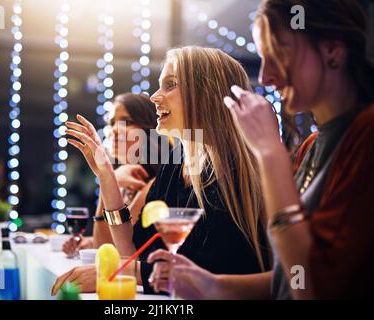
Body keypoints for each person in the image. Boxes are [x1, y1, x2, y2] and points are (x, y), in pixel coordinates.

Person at [149, 0, 374, 299]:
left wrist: (269, 153)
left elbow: (312, 287)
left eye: (279, 53)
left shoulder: (366, 137)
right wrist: (210, 285)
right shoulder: (311, 148)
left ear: (333, 50)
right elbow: (287, 279)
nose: (266, 76)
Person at [52, 46, 270, 295]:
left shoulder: (247, 172)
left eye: (170, 84)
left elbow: (214, 274)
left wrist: (125, 272)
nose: (154, 96)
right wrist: (106, 176)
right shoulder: (176, 162)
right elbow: (130, 251)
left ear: (206, 93)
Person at [62, 93, 165, 257]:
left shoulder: (155, 185)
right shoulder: (125, 183)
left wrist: (108, 179)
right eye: (111, 123)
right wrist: (88, 241)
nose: (115, 129)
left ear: (151, 130)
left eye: (128, 122)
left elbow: (111, 252)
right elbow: (103, 248)